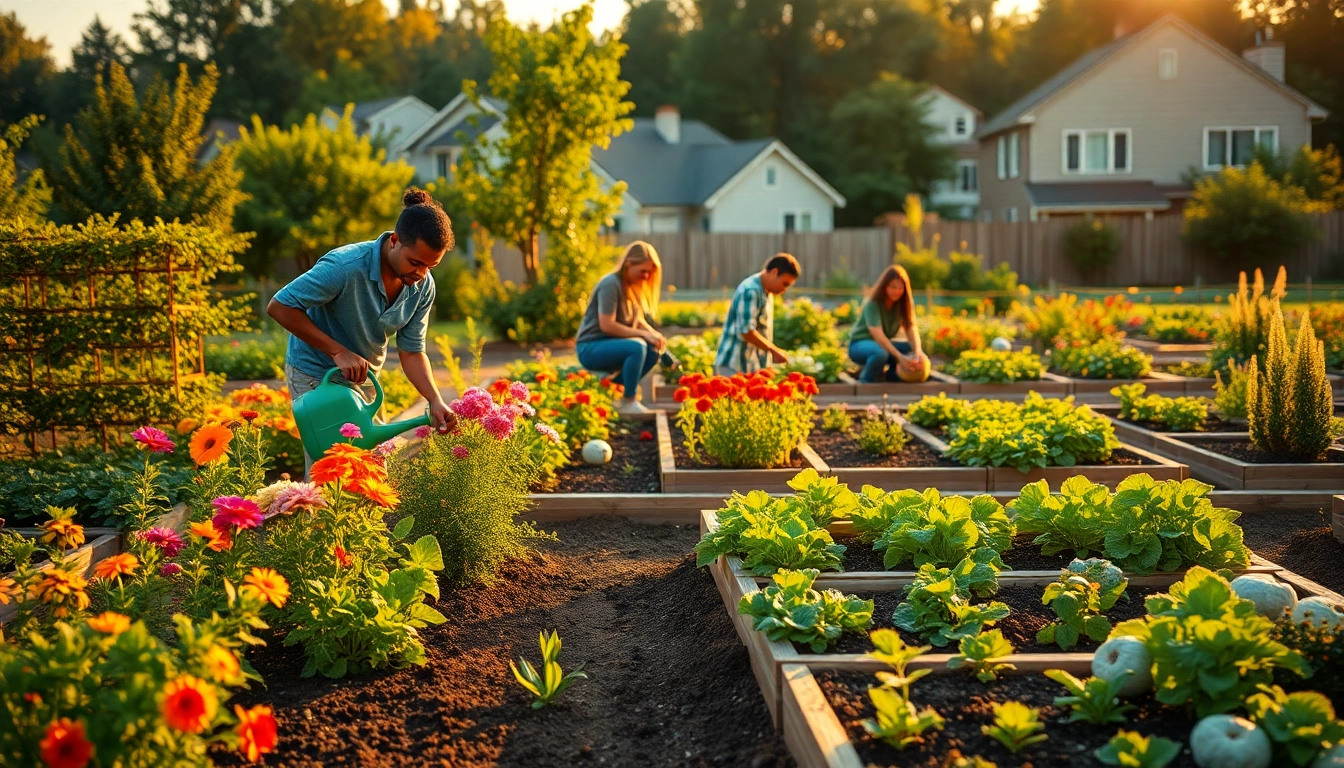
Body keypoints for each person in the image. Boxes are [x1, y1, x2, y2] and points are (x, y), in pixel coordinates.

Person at [267, 187, 458, 468]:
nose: (420, 274)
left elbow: (412, 352)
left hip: (363, 379)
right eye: (415, 263)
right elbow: (279, 306)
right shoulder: (345, 266)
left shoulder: (422, 287)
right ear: (394, 241)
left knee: (367, 466)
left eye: (430, 267)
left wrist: (435, 399)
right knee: (330, 468)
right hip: (317, 372)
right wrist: (337, 352)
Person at [575, 241, 666, 415]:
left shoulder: (633, 287)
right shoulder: (611, 284)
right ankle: (628, 401)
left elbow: (638, 320)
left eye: (649, 272)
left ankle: (612, 388)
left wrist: (654, 335)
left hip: (612, 344)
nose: (646, 276)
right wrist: (643, 336)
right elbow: (607, 325)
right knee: (637, 346)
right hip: (590, 347)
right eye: (643, 271)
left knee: (653, 349)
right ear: (628, 264)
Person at [714, 253, 800, 376]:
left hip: (749, 367)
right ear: (774, 272)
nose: (784, 289)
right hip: (732, 367)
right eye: (785, 283)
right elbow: (746, 331)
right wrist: (774, 351)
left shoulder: (765, 291)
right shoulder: (751, 290)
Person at [847, 264, 927, 383]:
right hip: (860, 345)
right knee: (880, 353)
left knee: (909, 347)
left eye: (900, 288)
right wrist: (899, 357)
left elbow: (910, 327)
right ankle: (866, 379)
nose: (897, 291)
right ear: (885, 286)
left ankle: (892, 375)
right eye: (893, 287)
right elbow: (877, 335)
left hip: (882, 344)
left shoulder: (903, 303)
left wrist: (918, 352)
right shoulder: (872, 303)